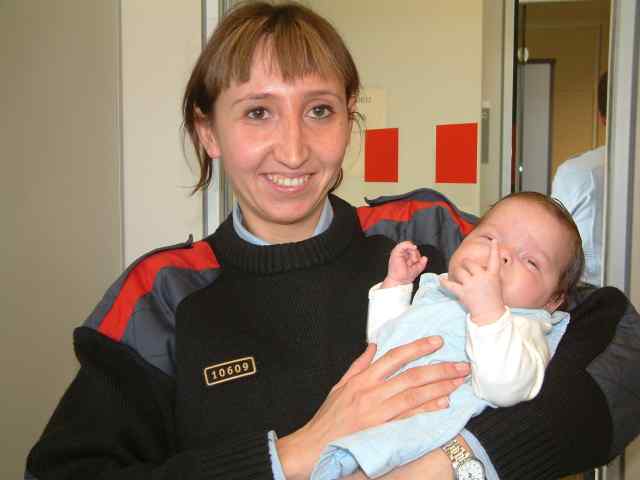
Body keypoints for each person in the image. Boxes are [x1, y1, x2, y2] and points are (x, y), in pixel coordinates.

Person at [24, 3, 639, 480]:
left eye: (319, 110)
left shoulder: (424, 233)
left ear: (348, 118)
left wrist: (455, 463)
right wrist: (298, 452)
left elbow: (621, 346)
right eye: (258, 112)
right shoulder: (163, 293)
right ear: (208, 132)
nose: (294, 150)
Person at [313, 192, 583, 479]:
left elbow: (505, 387)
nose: (501, 255)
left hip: (419, 450)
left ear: (552, 301)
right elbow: (386, 344)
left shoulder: (524, 327)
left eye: (531, 262)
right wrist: (396, 287)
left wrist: (488, 312)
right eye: (489, 238)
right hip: (367, 429)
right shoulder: (438, 292)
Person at [551, 72, 607, 286]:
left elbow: (552, 243)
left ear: (601, 118)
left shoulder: (579, 172)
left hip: (591, 293)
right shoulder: (582, 171)